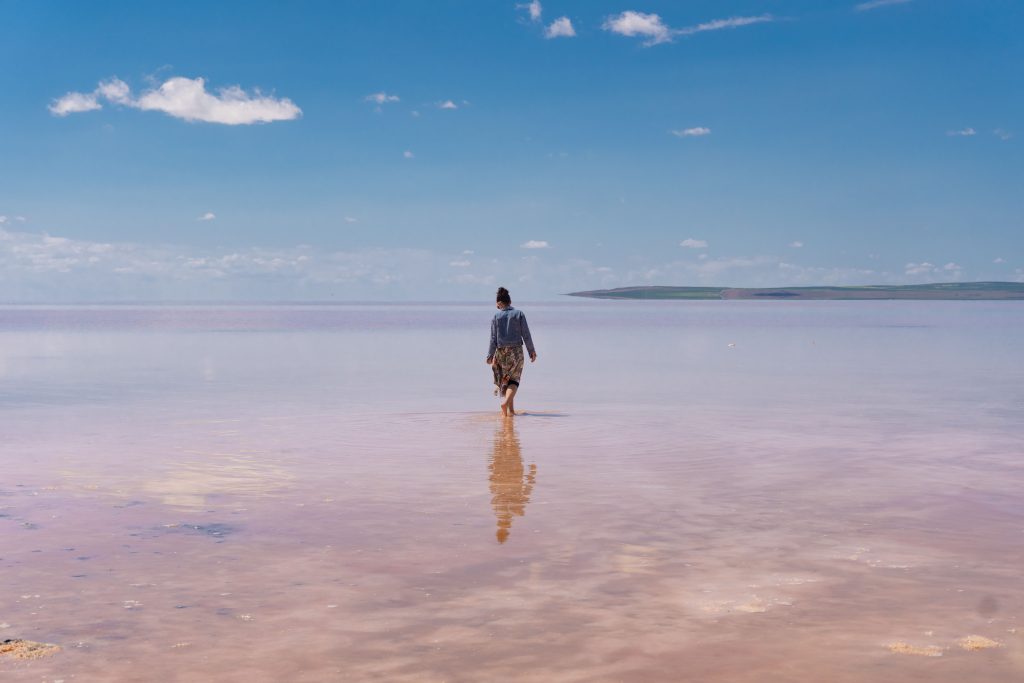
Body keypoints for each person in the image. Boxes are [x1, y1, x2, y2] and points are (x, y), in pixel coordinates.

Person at [486, 287, 537, 416]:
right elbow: (526, 334)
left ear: (500, 303)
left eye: (497, 304)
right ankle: (505, 404)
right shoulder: (519, 314)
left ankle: (511, 411)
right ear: (510, 301)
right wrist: (531, 351)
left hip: (501, 352)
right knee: (514, 381)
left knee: (507, 381)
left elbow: (493, 338)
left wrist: (490, 355)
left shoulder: (496, 317)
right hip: (516, 351)